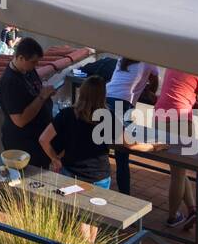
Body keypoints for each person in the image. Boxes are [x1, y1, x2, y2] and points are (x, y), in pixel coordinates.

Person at [39, 74, 167, 189]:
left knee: (69, 212)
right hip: (97, 176)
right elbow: (131, 144)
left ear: (82, 92)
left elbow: (43, 139)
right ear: (103, 95)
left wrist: (55, 159)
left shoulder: (66, 114)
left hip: (69, 172)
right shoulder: (108, 117)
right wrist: (153, 146)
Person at [154, 68, 198, 229]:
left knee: (178, 170)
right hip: (180, 120)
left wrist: (194, 102)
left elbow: (177, 91)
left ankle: (192, 209)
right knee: (178, 173)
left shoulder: (173, 64)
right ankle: (172, 217)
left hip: (159, 116)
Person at [104, 57, 163, 195]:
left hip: (106, 98)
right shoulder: (148, 61)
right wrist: (150, 92)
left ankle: (102, 187)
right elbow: (155, 81)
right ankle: (125, 195)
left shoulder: (123, 57)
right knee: (123, 153)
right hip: (122, 104)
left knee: (103, 147)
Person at [0, 37, 55, 169]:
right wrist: (42, 97)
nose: (35, 65)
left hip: (37, 139)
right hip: (23, 144)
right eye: (33, 62)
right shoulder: (10, 82)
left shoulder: (28, 70)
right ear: (21, 58)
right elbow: (20, 120)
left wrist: (45, 94)